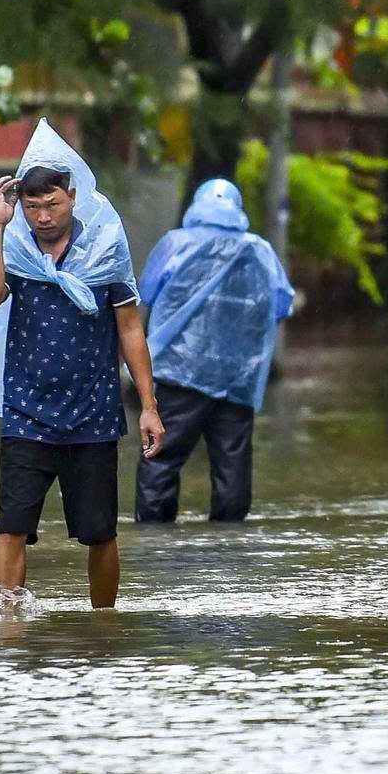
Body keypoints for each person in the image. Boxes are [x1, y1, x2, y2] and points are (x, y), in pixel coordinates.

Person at [0, 122, 163, 612]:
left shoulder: (105, 249)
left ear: (73, 197)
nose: (42, 216)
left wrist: (148, 405)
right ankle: (7, 623)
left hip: (94, 415)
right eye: (33, 207)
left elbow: (129, 328)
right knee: (11, 527)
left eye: (52, 204)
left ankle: (104, 624)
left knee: (100, 533)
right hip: (27, 413)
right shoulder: (14, 249)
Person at [134, 179, 297, 524]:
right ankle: (230, 545)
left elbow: (146, 293)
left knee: (162, 458)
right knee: (232, 462)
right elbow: (281, 304)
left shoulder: (176, 243)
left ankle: (153, 541)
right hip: (238, 376)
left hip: (179, 372)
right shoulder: (259, 249)